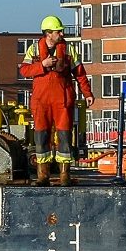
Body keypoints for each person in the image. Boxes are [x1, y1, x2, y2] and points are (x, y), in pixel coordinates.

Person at [20, 15, 91, 185]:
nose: (61, 33)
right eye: (58, 31)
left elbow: (80, 74)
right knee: (41, 137)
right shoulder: (34, 50)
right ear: (48, 33)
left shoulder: (69, 50)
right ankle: (43, 176)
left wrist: (87, 94)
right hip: (41, 101)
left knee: (65, 137)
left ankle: (64, 176)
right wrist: (42, 65)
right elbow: (24, 70)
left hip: (62, 100)